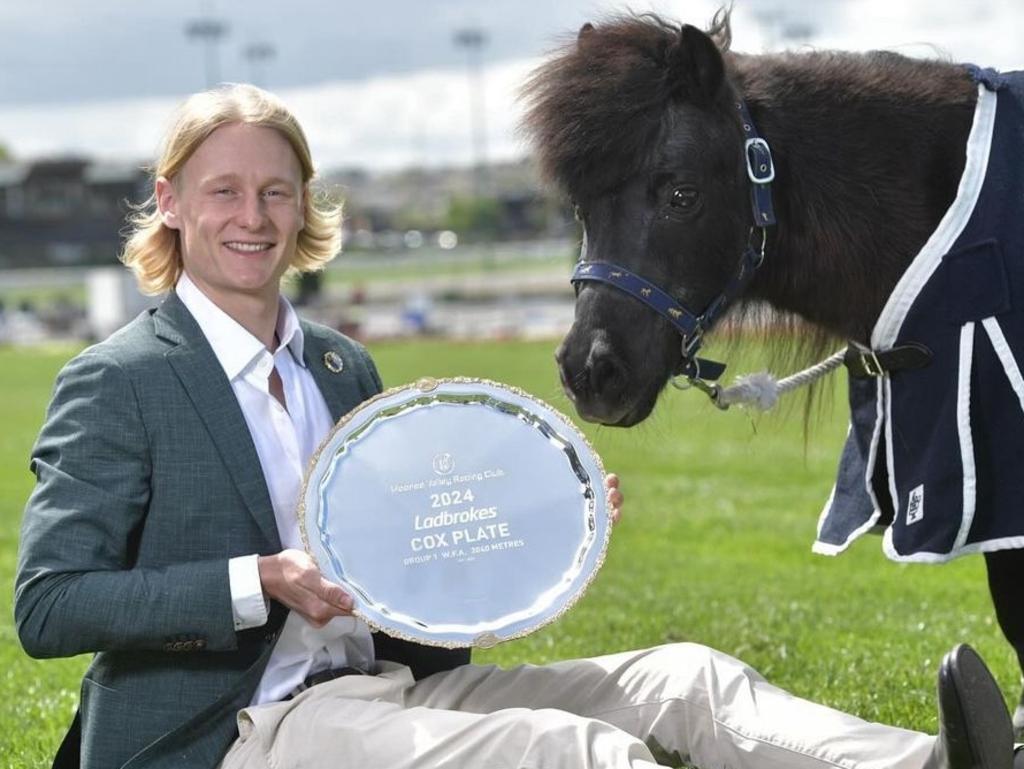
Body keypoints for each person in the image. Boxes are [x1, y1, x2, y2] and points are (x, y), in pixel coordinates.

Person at [13, 85, 1015, 769]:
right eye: (224, 190)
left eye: (277, 190)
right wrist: (258, 581)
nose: (254, 214)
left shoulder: (337, 364)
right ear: (171, 202)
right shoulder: (121, 381)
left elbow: (402, 567)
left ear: (304, 205)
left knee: (688, 679)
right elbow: (51, 606)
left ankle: (936, 764)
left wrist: (539, 519)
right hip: (238, 728)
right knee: (578, 755)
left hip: (387, 684)